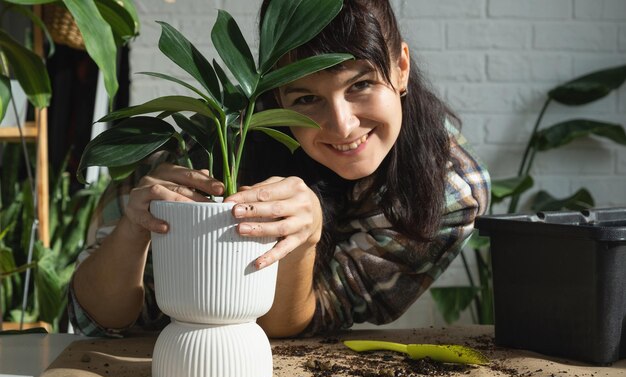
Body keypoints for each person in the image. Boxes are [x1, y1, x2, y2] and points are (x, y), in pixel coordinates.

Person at [69, 0, 490, 338]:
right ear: (273, 98)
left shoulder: (447, 189)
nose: (342, 125)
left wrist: (304, 238)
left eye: (360, 85)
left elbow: (302, 325)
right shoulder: (209, 145)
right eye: (306, 99)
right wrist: (133, 228)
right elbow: (94, 320)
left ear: (400, 68)